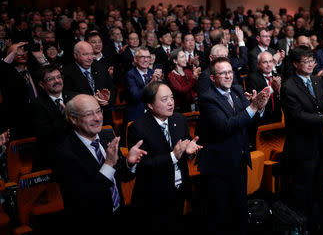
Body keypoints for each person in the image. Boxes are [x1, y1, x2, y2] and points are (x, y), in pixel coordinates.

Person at [196, 57, 270, 235]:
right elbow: (226, 127)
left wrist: (260, 107)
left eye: (230, 72)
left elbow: (249, 120)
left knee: (240, 210)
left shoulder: (237, 90)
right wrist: (253, 107)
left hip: (239, 159)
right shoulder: (207, 98)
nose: (228, 76)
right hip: (218, 165)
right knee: (220, 214)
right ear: (213, 78)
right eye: (223, 73)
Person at [55, 94, 147, 234]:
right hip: (91, 223)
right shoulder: (65, 152)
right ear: (73, 118)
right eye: (89, 114)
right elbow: (84, 198)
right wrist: (109, 164)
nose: (97, 118)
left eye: (98, 111)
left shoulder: (107, 136)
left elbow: (123, 177)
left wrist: (129, 163)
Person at [281, 46, 323, 234]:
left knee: (318, 185)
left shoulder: (317, 81)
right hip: (301, 145)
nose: (311, 65)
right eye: (306, 62)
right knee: (302, 187)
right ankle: (300, 225)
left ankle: (316, 222)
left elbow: (318, 108)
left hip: (320, 142)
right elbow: (297, 116)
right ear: (295, 64)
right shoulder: (288, 87)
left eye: (313, 61)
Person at [127, 81, 202, 233]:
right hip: (154, 197)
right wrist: (173, 156)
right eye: (164, 99)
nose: (170, 103)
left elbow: (185, 149)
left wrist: (189, 152)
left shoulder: (179, 120)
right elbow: (144, 165)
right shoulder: (138, 127)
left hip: (179, 191)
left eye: (172, 98)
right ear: (150, 105)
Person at [62, 41, 116, 126]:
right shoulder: (67, 71)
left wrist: (107, 99)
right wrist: (91, 99)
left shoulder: (100, 67)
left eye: (91, 54)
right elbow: (67, 95)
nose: (90, 58)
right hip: (83, 121)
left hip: (105, 118)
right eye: (85, 54)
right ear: (75, 55)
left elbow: (112, 89)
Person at [30, 65, 72, 171]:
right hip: (52, 158)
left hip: (76, 152)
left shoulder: (74, 97)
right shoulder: (37, 105)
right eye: (50, 79)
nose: (56, 81)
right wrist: (66, 117)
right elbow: (45, 133)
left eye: (58, 77)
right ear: (41, 84)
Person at [125, 47, 163, 122]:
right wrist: (152, 83)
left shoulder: (153, 72)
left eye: (148, 57)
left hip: (154, 113)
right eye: (142, 57)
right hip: (137, 114)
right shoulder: (130, 75)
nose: (146, 60)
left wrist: (160, 80)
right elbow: (136, 96)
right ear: (135, 59)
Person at [166, 48, 201, 112]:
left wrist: (197, 76)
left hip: (192, 105)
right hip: (180, 108)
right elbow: (181, 91)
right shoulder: (171, 75)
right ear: (175, 61)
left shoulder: (188, 71)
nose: (185, 59)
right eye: (182, 57)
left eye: (185, 56)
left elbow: (196, 88)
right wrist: (194, 78)